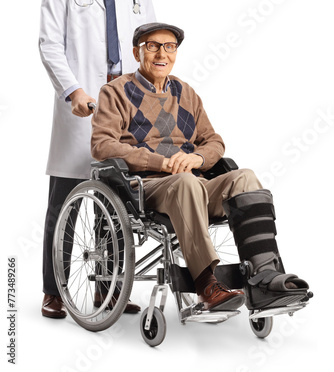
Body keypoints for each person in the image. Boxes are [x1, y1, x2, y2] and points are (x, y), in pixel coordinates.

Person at [91, 22, 310, 312]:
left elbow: (214, 141)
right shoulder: (115, 92)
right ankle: (206, 283)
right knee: (186, 183)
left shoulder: (186, 92)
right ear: (136, 52)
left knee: (245, 177)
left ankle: (264, 277)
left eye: (170, 47)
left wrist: (198, 159)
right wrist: (160, 161)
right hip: (146, 187)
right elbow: (103, 145)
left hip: (193, 181)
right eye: (153, 46)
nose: (162, 53)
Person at [39, 0, 156, 318]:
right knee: (65, 203)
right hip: (82, 105)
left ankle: (110, 291)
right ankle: (54, 291)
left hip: (125, 109)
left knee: (119, 205)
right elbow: (50, 45)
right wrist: (73, 91)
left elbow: (149, 44)